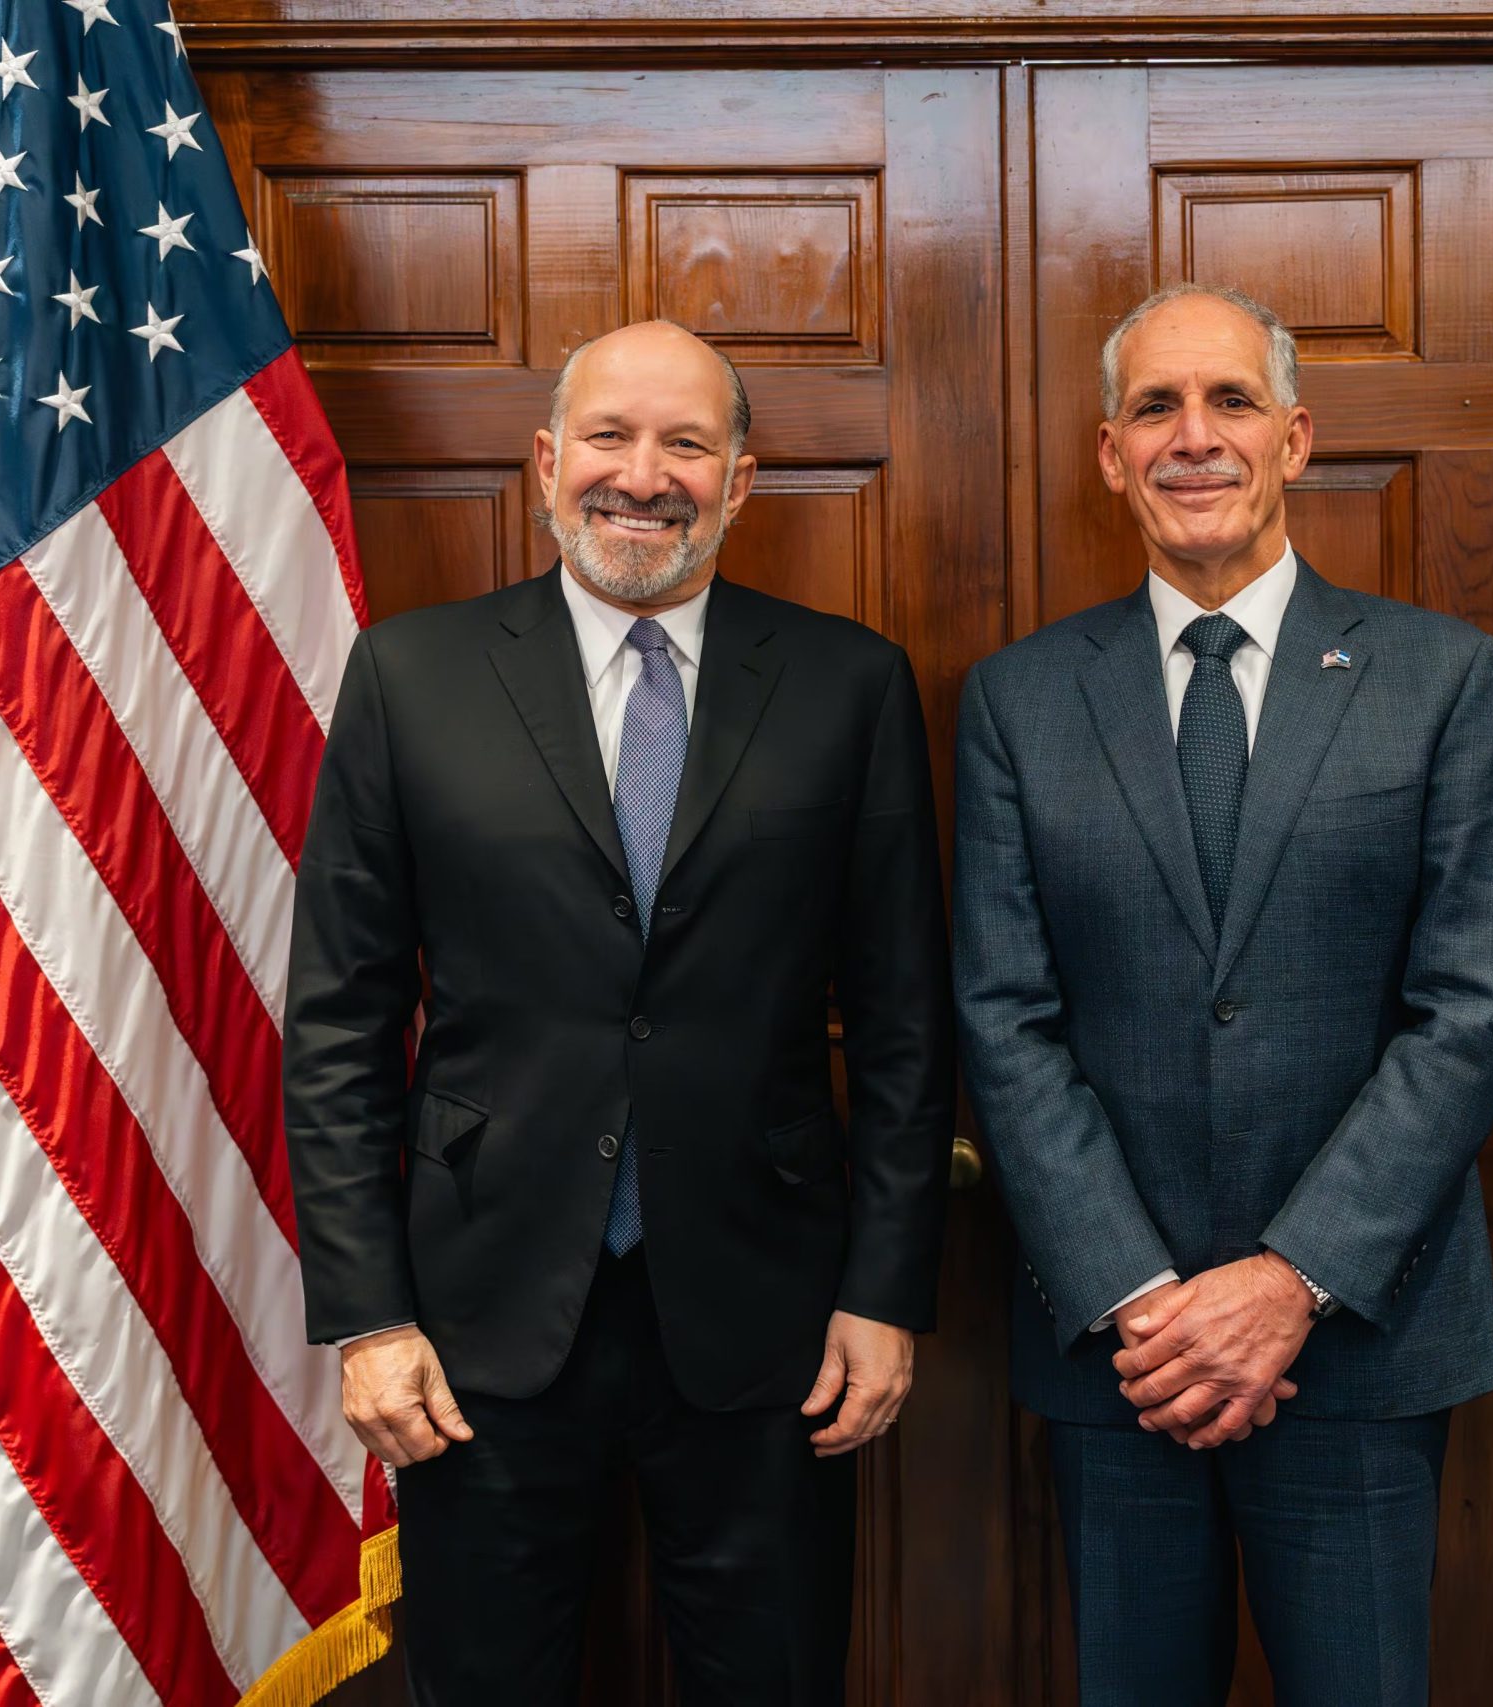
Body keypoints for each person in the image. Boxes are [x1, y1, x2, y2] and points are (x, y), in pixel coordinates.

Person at [284, 319, 953, 1705]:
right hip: (478, 1319)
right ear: (547, 462)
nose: (642, 477)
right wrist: (367, 1317)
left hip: (771, 1316)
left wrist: (885, 1293)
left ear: (739, 481)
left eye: (685, 444)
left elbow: (903, 1023)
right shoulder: (411, 677)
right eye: (609, 436)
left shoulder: (849, 684)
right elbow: (341, 1021)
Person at [952, 282, 1493, 1706]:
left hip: (1359, 1338)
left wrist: (1289, 1283)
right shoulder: (1020, 700)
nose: (1194, 437)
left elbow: (1469, 1009)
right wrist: (1142, 1300)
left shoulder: (1438, 677)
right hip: (1123, 1358)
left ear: (1295, 438)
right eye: (1155, 407)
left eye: (1231, 402)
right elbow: (1004, 1015)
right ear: (1112, 454)